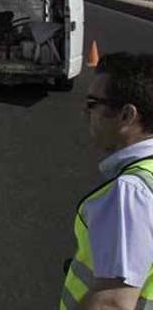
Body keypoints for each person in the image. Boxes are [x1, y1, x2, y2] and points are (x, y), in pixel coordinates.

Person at [61, 53, 153, 310]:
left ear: (126, 115)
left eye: (93, 103)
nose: (84, 112)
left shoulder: (132, 192)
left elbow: (113, 303)